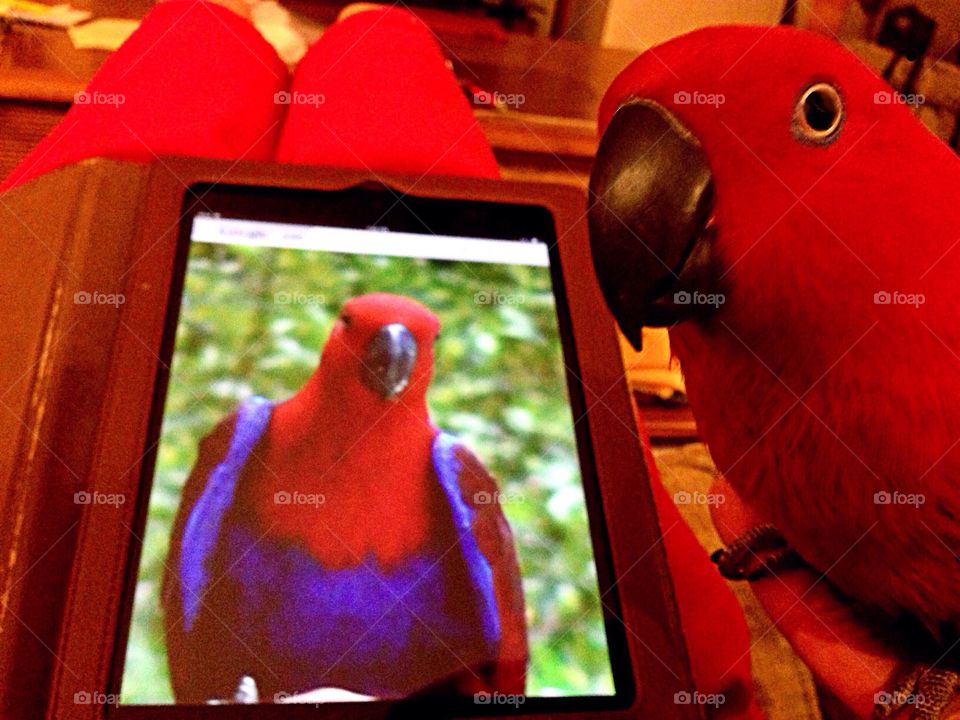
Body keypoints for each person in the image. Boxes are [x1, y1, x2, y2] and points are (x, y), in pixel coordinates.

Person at [2, 4, 763, 717]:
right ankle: (366, 35)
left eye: (414, 343)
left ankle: (239, 29)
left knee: (196, 50)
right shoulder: (244, 442)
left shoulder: (452, 475)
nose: (389, 353)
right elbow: (196, 623)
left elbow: (498, 664)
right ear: (331, 339)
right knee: (387, 67)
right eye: (355, 328)